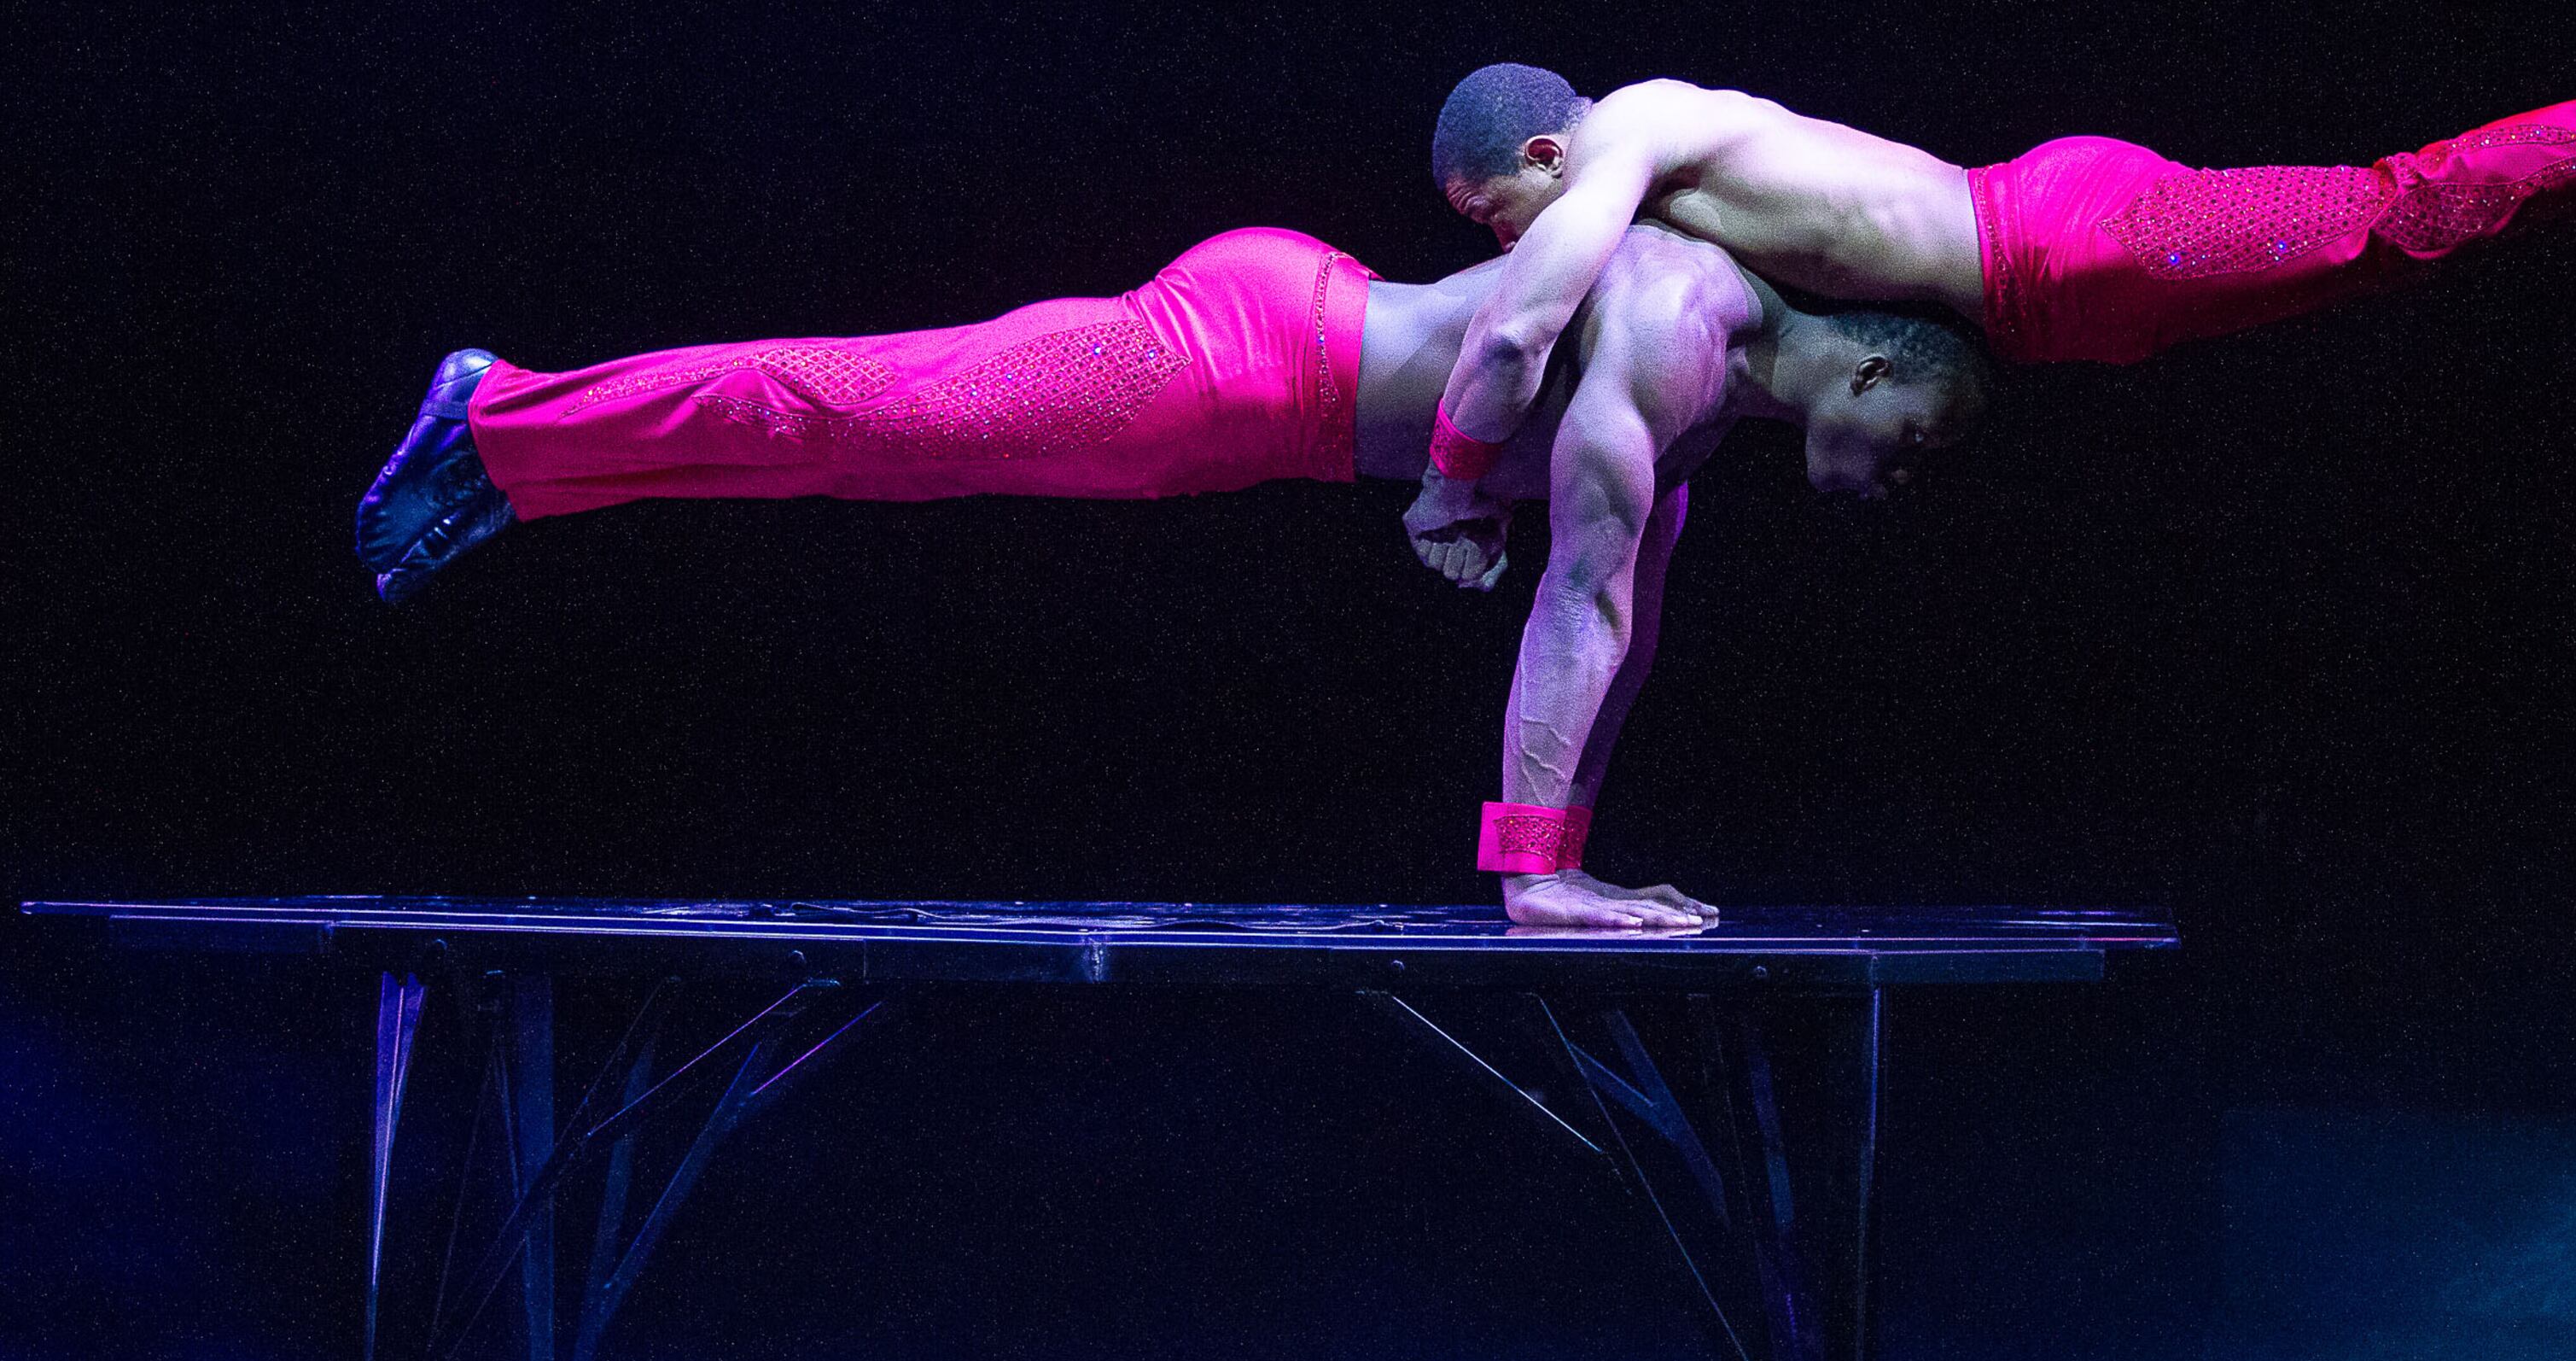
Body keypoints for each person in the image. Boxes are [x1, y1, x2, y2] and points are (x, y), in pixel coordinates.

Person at [355, 225, 1987, 931]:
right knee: (847, 406)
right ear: (1871, 368)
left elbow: (1623, 636)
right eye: (1919, 441)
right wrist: (1533, 873)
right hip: (1222, 360)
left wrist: (1564, 859)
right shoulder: (1682, 337)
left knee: (850, 446)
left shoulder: (1702, 418)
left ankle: (516, 461)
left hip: (1260, 385)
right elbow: (1583, 603)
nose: (1909, 482)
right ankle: (496, 414)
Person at [1403, 27, 2576, 582]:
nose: (1504, 242)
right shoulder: (1650, 151)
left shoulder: (1624, 135)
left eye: (1490, 215)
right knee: (2395, 228)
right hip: (2058, 243)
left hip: (2074, 247)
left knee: (2401, 214)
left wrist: (1452, 487)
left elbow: (1518, 328)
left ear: (1540, 155)